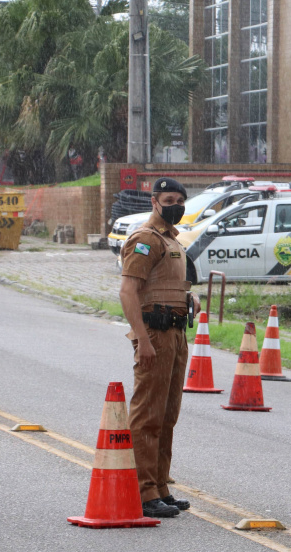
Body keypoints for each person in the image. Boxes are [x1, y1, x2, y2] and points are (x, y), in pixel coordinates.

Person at [119, 177, 199, 519]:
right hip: (156, 333)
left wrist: (187, 297)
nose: (176, 205)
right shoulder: (144, 239)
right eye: (169, 198)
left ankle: (160, 484)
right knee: (148, 414)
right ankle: (143, 490)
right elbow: (128, 292)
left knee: (168, 415)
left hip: (177, 334)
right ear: (154, 201)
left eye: (181, 199)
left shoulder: (172, 241)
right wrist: (141, 339)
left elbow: (164, 283)